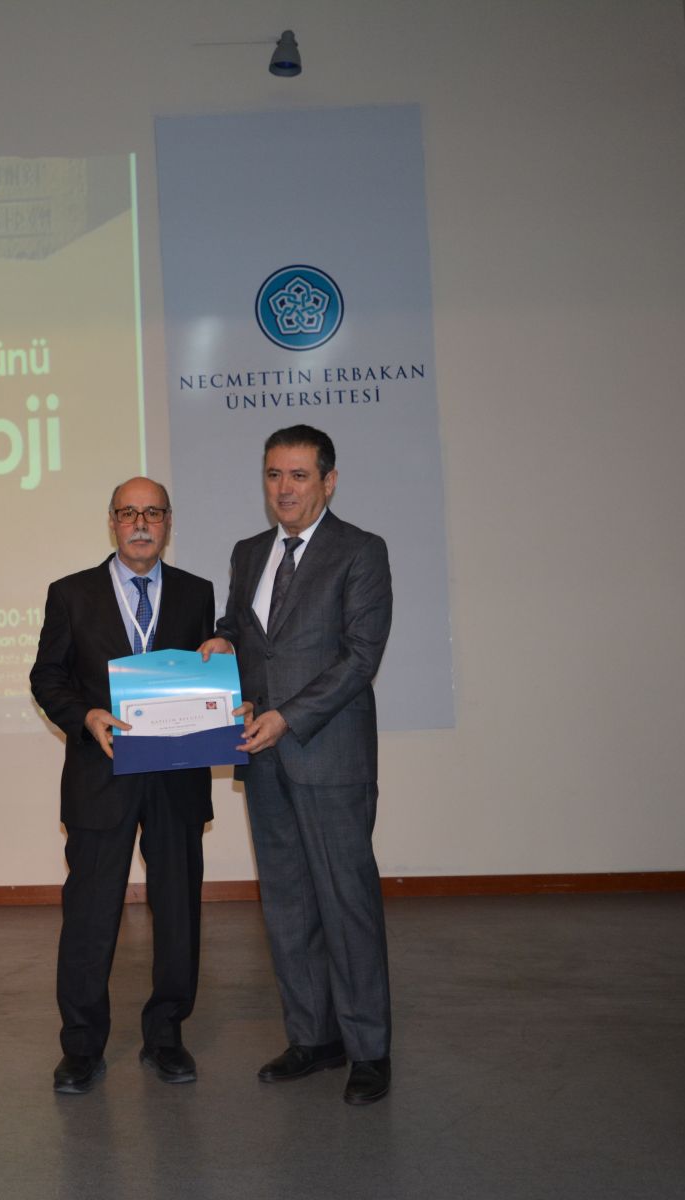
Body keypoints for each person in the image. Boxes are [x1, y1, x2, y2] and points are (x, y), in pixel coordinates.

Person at [200, 424, 395, 1105]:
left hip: (328, 754)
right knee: (286, 905)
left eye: (299, 475)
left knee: (347, 904)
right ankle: (313, 1038)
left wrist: (287, 716)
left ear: (328, 481)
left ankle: (369, 1050)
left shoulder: (361, 551)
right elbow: (244, 631)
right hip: (263, 759)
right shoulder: (248, 552)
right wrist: (221, 643)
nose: (283, 488)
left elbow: (360, 657)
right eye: (273, 474)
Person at [29, 477, 217, 1094]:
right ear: (111, 522)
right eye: (129, 512)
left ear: (168, 522)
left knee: (178, 913)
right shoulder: (70, 593)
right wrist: (85, 716)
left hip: (176, 778)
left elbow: (205, 674)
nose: (141, 523)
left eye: (153, 513)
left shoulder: (196, 593)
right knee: (89, 917)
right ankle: (82, 1047)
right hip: (100, 777)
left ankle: (166, 1036)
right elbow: (47, 676)